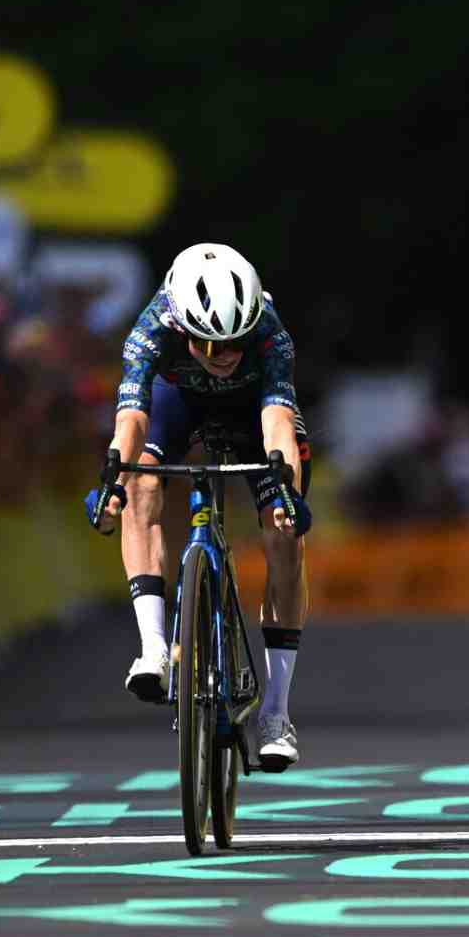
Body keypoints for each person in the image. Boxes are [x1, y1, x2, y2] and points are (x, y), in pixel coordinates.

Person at [86, 242, 312, 772]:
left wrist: (287, 492)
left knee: (283, 533)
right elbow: (132, 420)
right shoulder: (150, 329)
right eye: (209, 346)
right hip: (177, 403)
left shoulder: (271, 334)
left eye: (234, 342)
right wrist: (114, 476)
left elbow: (277, 424)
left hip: (250, 410)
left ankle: (276, 713)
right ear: (182, 329)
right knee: (141, 479)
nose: (225, 354)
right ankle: (154, 648)